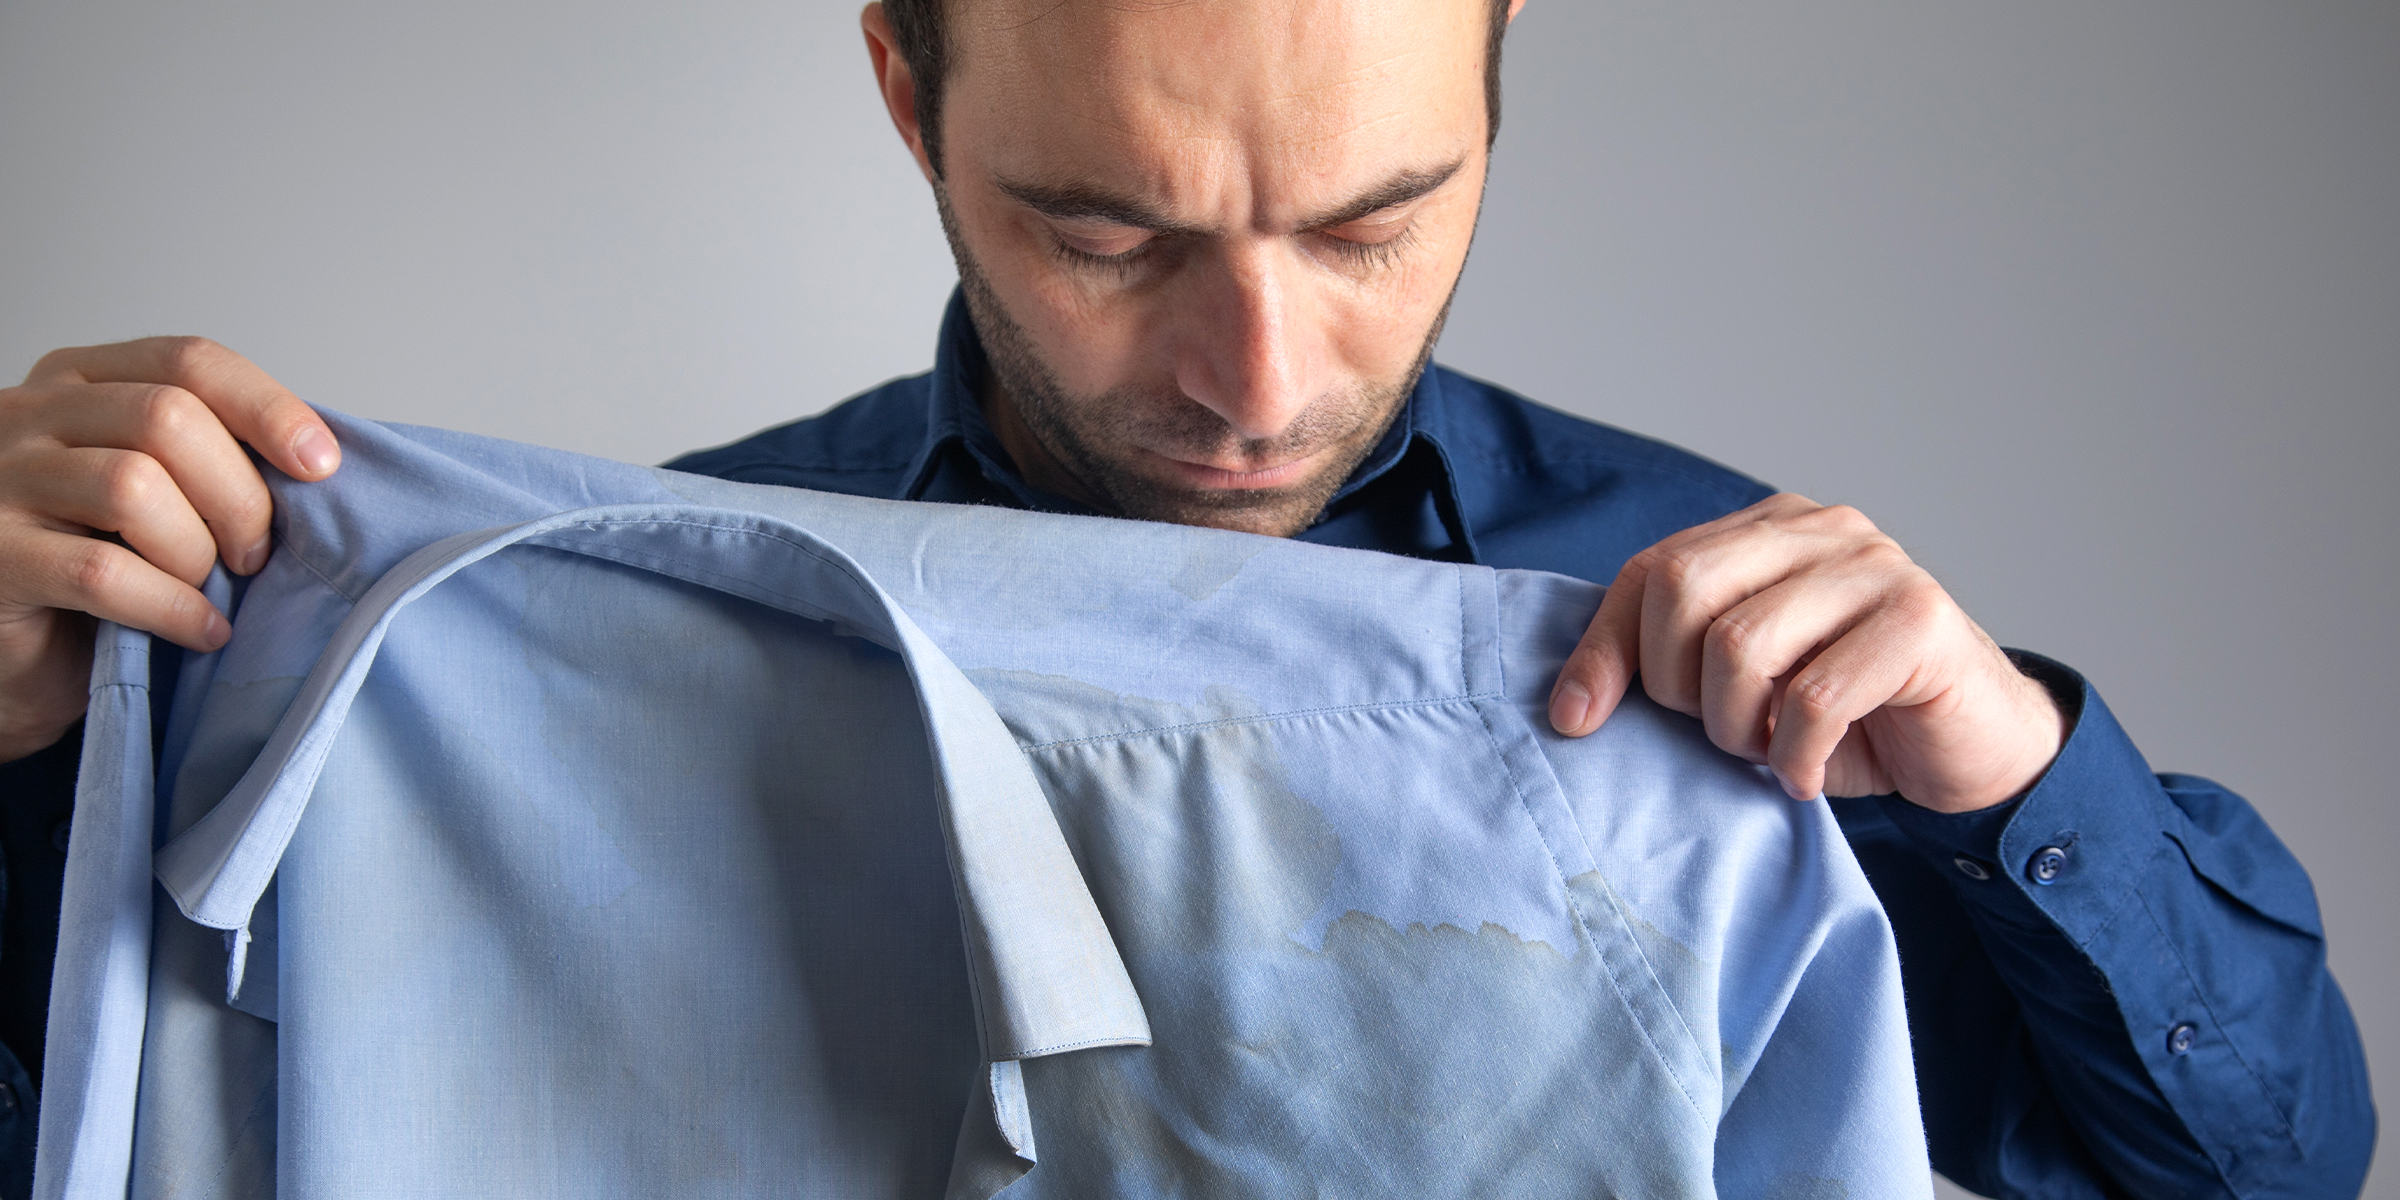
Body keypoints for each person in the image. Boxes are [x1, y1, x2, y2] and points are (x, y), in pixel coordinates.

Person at [0, 0, 2372, 1195]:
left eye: (1369, 225)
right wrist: (27, 759)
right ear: (910, 95)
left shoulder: (1733, 655)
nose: (1256, 382)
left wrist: (2010, 780)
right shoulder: (576, 636)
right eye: (1105, 231)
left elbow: (2270, 1174)